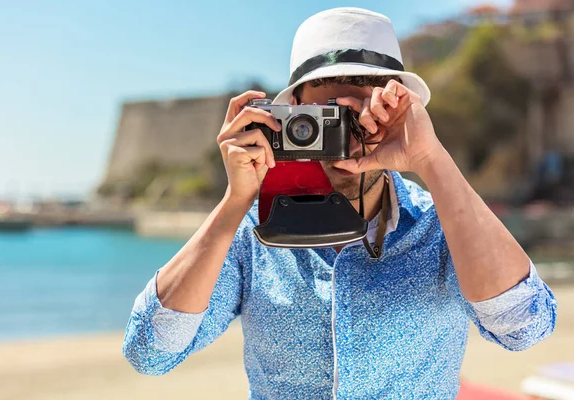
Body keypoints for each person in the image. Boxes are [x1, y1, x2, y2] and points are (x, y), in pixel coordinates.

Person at [122, 8, 557, 399]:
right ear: (289, 116)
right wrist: (235, 202)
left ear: (398, 108)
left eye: (359, 109)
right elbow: (150, 351)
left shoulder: (441, 224)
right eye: (323, 117)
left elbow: (524, 327)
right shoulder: (253, 231)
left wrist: (430, 159)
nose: (342, 136)